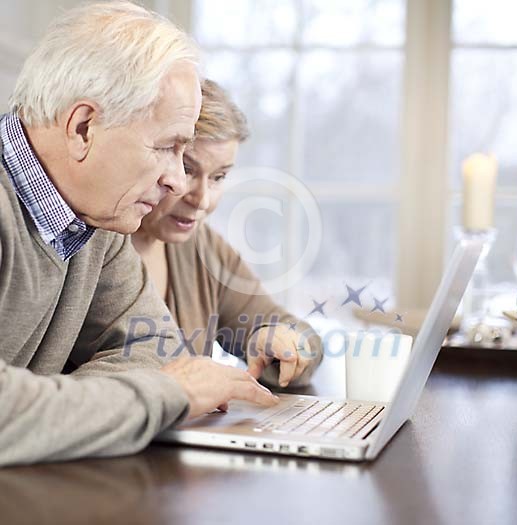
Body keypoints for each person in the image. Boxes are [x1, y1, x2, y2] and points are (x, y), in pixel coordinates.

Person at [0, 1, 277, 468]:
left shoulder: (96, 220)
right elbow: (166, 379)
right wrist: (166, 394)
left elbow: (153, 348)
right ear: (83, 127)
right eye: (168, 148)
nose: (178, 181)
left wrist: (54, 414)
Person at [132, 79, 323, 389]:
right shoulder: (91, 247)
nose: (202, 199)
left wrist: (281, 343)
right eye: (188, 169)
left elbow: (295, 331)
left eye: (219, 176)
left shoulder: (202, 247)